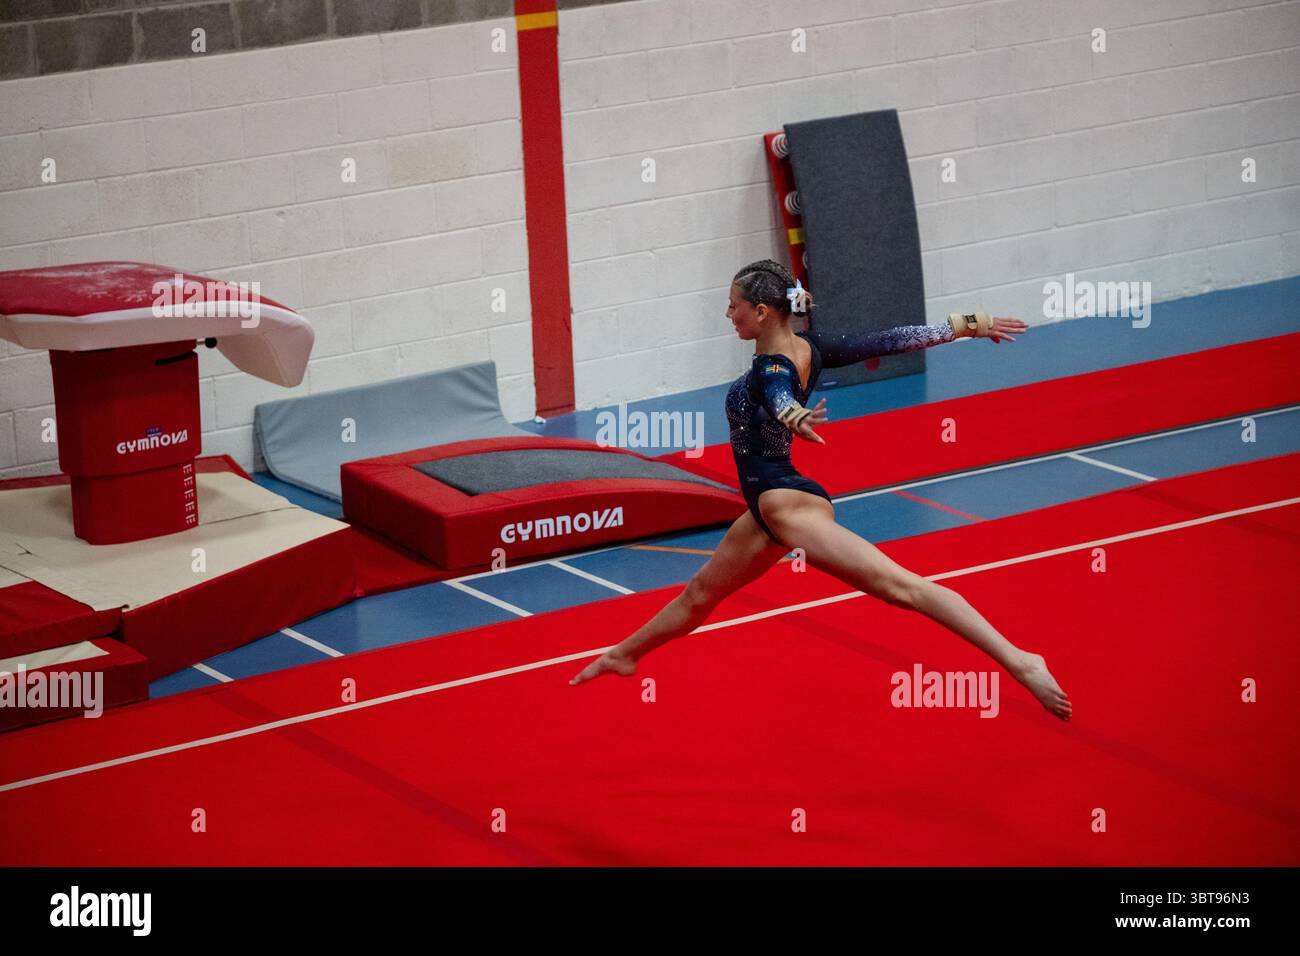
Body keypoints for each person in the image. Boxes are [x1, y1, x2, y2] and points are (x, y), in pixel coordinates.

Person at [571, 259, 1071, 720]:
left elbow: (778, 391)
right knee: (700, 594)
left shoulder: (773, 365)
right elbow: (887, 340)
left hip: (788, 507)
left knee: (904, 587)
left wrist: (793, 414)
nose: (728, 314)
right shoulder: (812, 346)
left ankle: (1021, 660)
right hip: (766, 512)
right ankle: (624, 654)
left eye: (734, 305)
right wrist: (966, 324)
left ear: (762, 312)